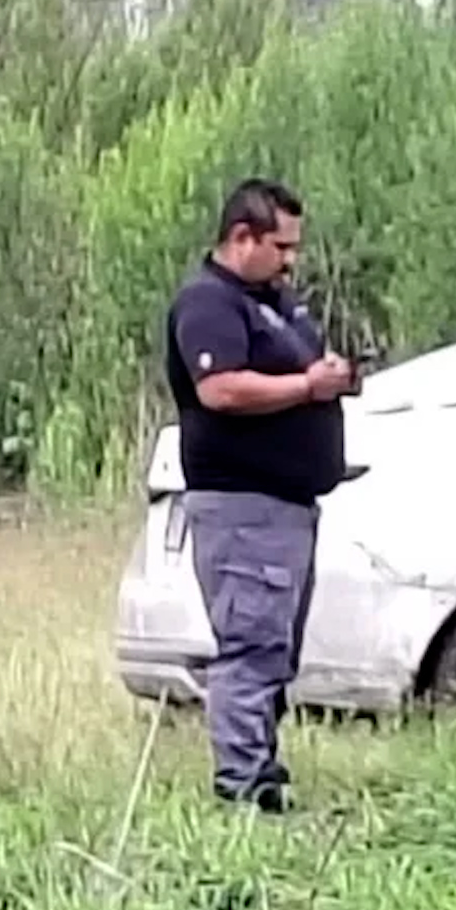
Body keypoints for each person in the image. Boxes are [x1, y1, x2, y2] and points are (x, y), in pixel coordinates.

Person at [165, 177, 353, 814]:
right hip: (242, 504)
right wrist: (307, 387)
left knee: (275, 647)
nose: (291, 259)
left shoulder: (274, 300)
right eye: (281, 245)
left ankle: (263, 769)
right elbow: (220, 390)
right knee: (249, 645)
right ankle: (241, 786)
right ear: (241, 237)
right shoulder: (209, 304)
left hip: (287, 504)